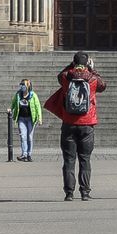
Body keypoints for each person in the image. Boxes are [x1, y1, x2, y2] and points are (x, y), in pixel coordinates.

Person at [44, 49, 106, 201]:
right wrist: (92, 69)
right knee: (85, 159)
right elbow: (103, 85)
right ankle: (85, 192)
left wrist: (71, 65)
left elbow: (60, 75)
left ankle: (69, 193)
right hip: (87, 123)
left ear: (74, 62)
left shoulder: (66, 77)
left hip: (69, 124)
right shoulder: (92, 79)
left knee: (69, 160)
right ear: (86, 63)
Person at [11, 77, 41, 159]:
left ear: (28, 86)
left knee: (30, 137)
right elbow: (13, 103)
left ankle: (29, 154)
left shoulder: (33, 95)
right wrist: (11, 109)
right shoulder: (18, 94)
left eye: (23, 85)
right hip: (21, 118)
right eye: (21, 85)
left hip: (30, 119)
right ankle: (24, 154)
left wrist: (39, 118)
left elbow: (38, 106)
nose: (21, 86)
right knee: (23, 136)